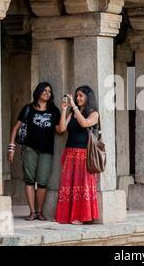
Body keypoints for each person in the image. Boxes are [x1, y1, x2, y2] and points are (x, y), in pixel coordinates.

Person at [7, 82, 61, 221]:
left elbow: (60, 130)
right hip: (29, 149)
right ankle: (32, 212)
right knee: (29, 181)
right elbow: (15, 128)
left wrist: (66, 110)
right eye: (44, 90)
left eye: (49, 91)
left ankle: (39, 212)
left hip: (47, 151)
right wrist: (11, 147)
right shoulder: (28, 109)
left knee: (42, 182)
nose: (47, 93)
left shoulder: (54, 110)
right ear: (38, 92)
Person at [55, 86, 100, 224]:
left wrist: (74, 106)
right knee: (69, 185)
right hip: (70, 153)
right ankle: (68, 215)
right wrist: (64, 110)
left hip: (84, 154)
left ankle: (81, 216)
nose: (78, 98)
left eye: (80, 95)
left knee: (83, 185)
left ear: (88, 97)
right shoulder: (72, 113)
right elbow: (61, 129)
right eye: (76, 96)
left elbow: (85, 123)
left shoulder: (94, 113)